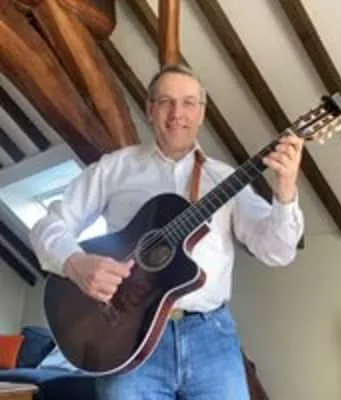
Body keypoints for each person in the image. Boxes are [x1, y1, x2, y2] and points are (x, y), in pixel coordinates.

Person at [30, 64, 305, 400]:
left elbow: (278, 252)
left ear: (201, 113)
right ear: (150, 109)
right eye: (166, 102)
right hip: (127, 337)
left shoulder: (225, 179)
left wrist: (285, 192)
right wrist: (76, 263)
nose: (177, 113)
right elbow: (47, 225)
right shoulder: (115, 168)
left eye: (189, 103)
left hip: (211, 338)